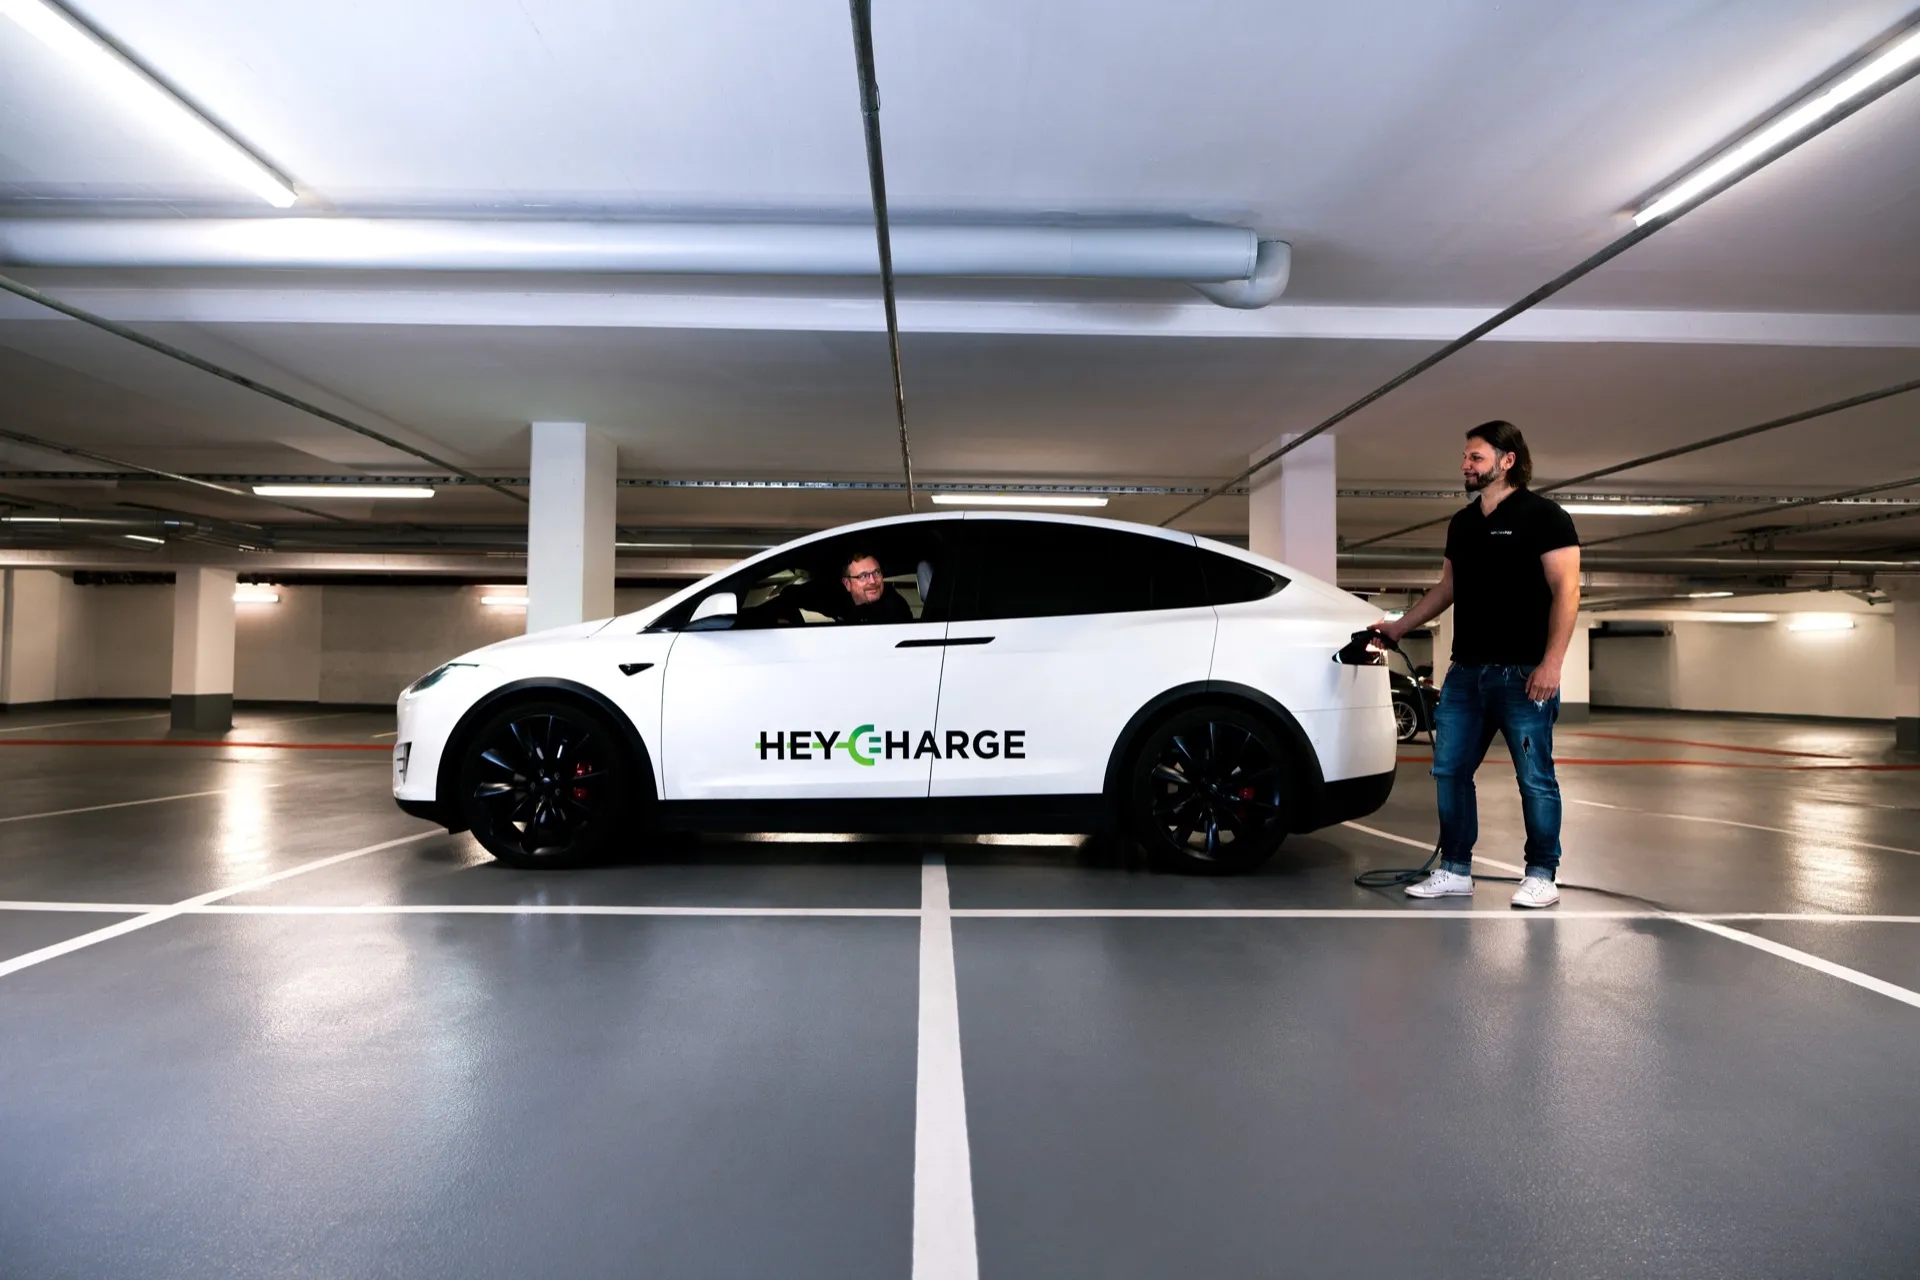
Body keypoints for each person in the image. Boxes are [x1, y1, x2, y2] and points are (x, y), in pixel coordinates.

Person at [1372, 420, 1581, 908]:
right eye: (1466, 458)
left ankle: (1541, 873)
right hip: (1466, 672)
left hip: (1524, 674)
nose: (1466, 465)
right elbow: (1448, 589)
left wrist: (1551, 663)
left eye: (1476, 457)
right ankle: (1455, 868)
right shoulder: (1463, 525)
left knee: (1534, 777)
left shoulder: (1545, 516)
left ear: (1507, 461)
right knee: (1449, 770)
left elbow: (1566, 592)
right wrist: (1399, 626)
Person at [828, 550, 913, 624]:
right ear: (847, 584)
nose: (873, 581)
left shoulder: (895, 608)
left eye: (877, 572)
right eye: (863, 576)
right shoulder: (840, 604)